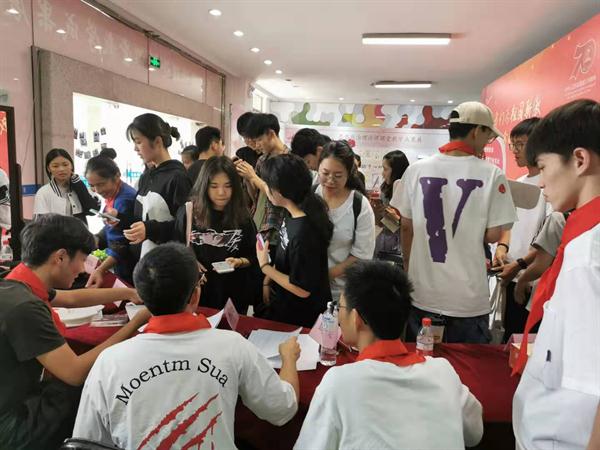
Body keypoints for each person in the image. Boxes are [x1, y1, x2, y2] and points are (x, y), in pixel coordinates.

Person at [72, 243, 300, 450]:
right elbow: (282, 409)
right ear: (195, 296)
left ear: (142, 297)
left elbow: (87, 441)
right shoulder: (233, 346)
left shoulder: (109, 362)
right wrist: (289, 358)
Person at [294, 261, 483, 450]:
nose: (338, 315)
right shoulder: (443, 372)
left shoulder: (338, 384)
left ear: (356, 319)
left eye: (340, 307)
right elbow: (475, 434)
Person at [0, 214, 150, 450]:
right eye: (82, 260)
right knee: (94, 387)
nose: (82, 269)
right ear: (60, 257)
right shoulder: (26, 307)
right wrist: (135, 323)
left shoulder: (17, 282)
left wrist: (129, 293)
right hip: (11, 422)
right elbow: (74, 372)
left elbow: (71, 299)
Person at [512, 99, 600, 450]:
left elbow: (594, 384)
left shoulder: (588, 255)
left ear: (579, 160)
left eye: (543, 167)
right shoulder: (583, 238)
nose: (540, 182)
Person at [399, 101, 516, 344]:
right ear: (476, 131)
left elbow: (407, 227)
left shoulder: (416, 170)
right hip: (467, 300)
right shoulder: (492, 174)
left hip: (423, 294)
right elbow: (493, 235)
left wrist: (410, 267)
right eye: (488, 135)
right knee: (467, 366)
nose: (487, 142)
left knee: (422, 363)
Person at [174, 156, 259, 313]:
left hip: (233, 296)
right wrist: (190, 261)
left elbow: (255, 256)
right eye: (214, 186)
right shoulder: (189, 212)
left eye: (228, 186)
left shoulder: (243, 217)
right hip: (199, 295)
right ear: (204, 186)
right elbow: (176, 250)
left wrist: (239, 261)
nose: (221, 192)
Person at [257, 154, 333, 327]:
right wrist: (267, 281)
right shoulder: (292, 212)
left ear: (280, 191)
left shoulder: (305, 232)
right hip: (286, 304)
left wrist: (265, 267)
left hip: (303, 316)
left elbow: (302, 289)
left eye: (268, 185)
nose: (266, 189)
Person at [490, 118, 549, 341]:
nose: (515, 151)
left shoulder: (548, 184)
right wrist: (501, 249)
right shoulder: (519, 181)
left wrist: (521, 268)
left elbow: (548, 238)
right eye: (512, 144)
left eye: (520, 144)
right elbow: (509, 224)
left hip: (531, 277)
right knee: (509, 336)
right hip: (510, 272)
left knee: (525, 338)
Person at [123, 113, 192, 258]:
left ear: (158, 141)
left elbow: (185, 227)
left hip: (170, 260)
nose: (135, 148)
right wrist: (118, 218)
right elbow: (141, 219)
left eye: (138, 142)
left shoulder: (178, 178)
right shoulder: (146, 176)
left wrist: (150, 229)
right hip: (146, 259)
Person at [315, 140, 376, 301]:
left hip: (342, 294)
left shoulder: (359, 205)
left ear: (349, 173)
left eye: (338, 175)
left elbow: (361, 256)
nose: (330, 180)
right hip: (307, 290)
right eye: (325, 173)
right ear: (318, 168)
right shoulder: (310, 196)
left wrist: (323, 277)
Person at [235, 113, 289, 255]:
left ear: (271, 134)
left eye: (259, 140)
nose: (256, 145)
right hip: (258, 225)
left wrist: (253, 176)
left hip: (275, 229)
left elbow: (279, 196)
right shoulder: (262, 160)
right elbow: (255, 197)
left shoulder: (289, 160)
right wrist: (248, 178)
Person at [84, 155, 138, 286]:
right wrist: (97, 238)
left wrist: (100, 269)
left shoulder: (124, 200)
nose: (98, 191)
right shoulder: (114, 193)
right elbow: (111, 228)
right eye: (92, 186)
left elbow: (122, 244)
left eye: (101, 184)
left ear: (117, 176)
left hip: (129, 266)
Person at [33, 148, 100, 225]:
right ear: (49, 169)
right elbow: (40, 224)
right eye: (55, 166)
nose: (61, 169)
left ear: (71, 165)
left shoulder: (80, 185)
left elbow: (93, 211)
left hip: (80, 232)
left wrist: (79, 186)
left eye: (65, 165)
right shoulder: (43, 192)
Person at [374, 150, 410, 261]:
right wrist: (377, 211)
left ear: (396, 170)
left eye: (385, 169)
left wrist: (396, 219)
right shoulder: (385, 189)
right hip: (383, 244)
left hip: (401, 246)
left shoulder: (409, 191)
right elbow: (380, 224)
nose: (382, 173)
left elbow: (406, 227)